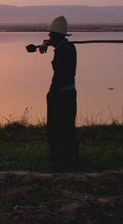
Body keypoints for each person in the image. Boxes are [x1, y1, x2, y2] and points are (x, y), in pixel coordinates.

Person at [38, 15, 79, 169]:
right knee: (68, 126)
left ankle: (59, 159)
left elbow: (60, 72)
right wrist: (46, 44)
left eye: (51, 34)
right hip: (69, 92)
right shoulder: (68, 47)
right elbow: (55, 43)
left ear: (57, 35)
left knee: (56, 128)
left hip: (60, 94)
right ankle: (69, 158)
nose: (48, 36)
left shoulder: (63, 51)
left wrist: (48, 45)